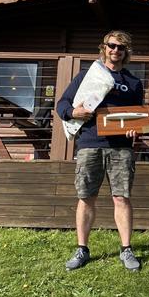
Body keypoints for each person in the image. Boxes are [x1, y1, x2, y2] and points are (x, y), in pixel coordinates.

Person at [56, 31, 144, 272]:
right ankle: (82, 248)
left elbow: (138, 116)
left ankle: (126, 249)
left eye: (121, 48)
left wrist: (136, 131)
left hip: (121, 148)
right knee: (86, 197)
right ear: (104, 48)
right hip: (90, 144)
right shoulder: (87, 76)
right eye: (112, 46)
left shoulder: (134, 83)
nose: (116, 51)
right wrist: (74, 113)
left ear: (127, 53)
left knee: (121, 198)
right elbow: (62, 104)